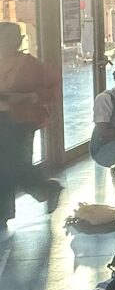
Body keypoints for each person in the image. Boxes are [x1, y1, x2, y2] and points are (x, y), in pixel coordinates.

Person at [0, 22, 62, 228]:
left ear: (19, 40)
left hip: (22, 121)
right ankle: (5, 212)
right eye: (4, 38)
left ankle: (45, 189)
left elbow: (53, 88)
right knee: (6, 166)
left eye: (12, 37)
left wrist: (28, 96)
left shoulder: (30, 64)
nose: (8, 42)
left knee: (16, 164)